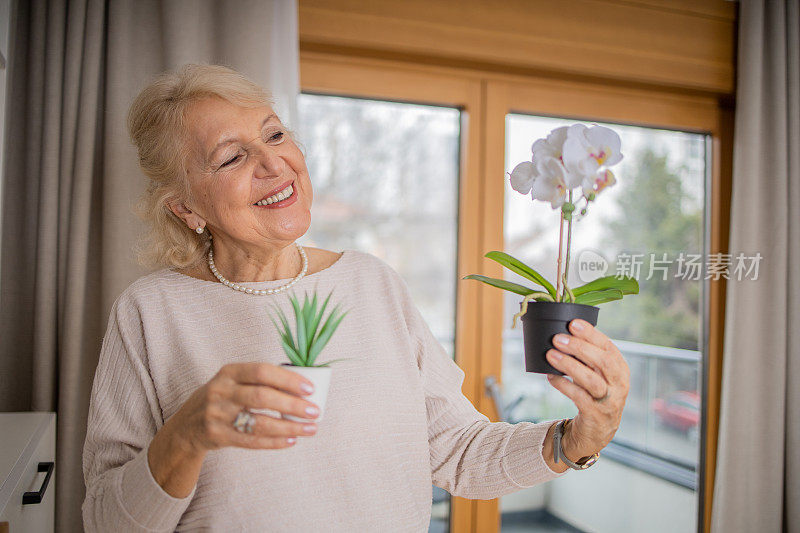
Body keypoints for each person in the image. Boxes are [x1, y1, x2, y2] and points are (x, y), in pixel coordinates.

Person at [81, 64, 630, 532]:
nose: (275, 165)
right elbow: (106, 519)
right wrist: (187, 433)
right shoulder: (149, 313)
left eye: (274, 136)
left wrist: (580, 437)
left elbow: (459, 450)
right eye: (231, 158)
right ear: (186, 209)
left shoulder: (373, 284)